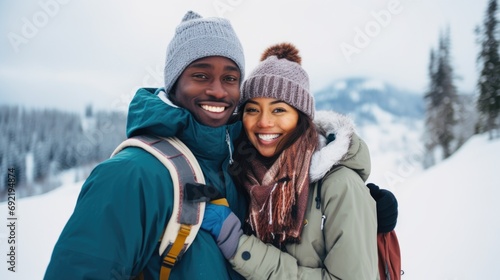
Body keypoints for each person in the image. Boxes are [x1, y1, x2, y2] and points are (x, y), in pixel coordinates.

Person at [44, 11, 248, 279]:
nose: (219, 91)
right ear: (174, 84)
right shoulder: (131, 175)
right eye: (201, 76)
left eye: (230, 79)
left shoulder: (240, 168)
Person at [201, 43, 379, 279]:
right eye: (253, 110)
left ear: (300, 117)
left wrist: (240, 247)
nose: (264, 122)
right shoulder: (242, 175)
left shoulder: (339, 186)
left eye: (278, 110)